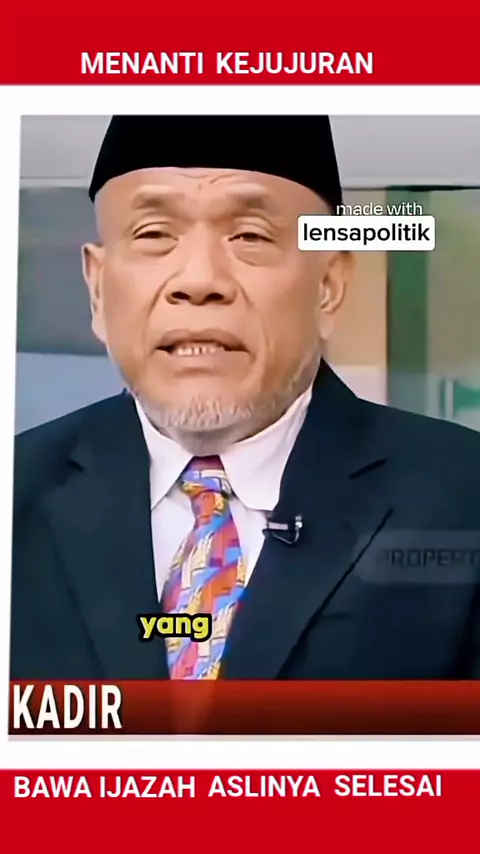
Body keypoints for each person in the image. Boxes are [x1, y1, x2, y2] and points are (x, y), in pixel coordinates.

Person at [11, 115, 480, 681]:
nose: (199, 280)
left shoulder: (464, 496)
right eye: (154, 234)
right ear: (97, 288)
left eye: (249, 237)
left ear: (327, 287)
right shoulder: (17, 489)